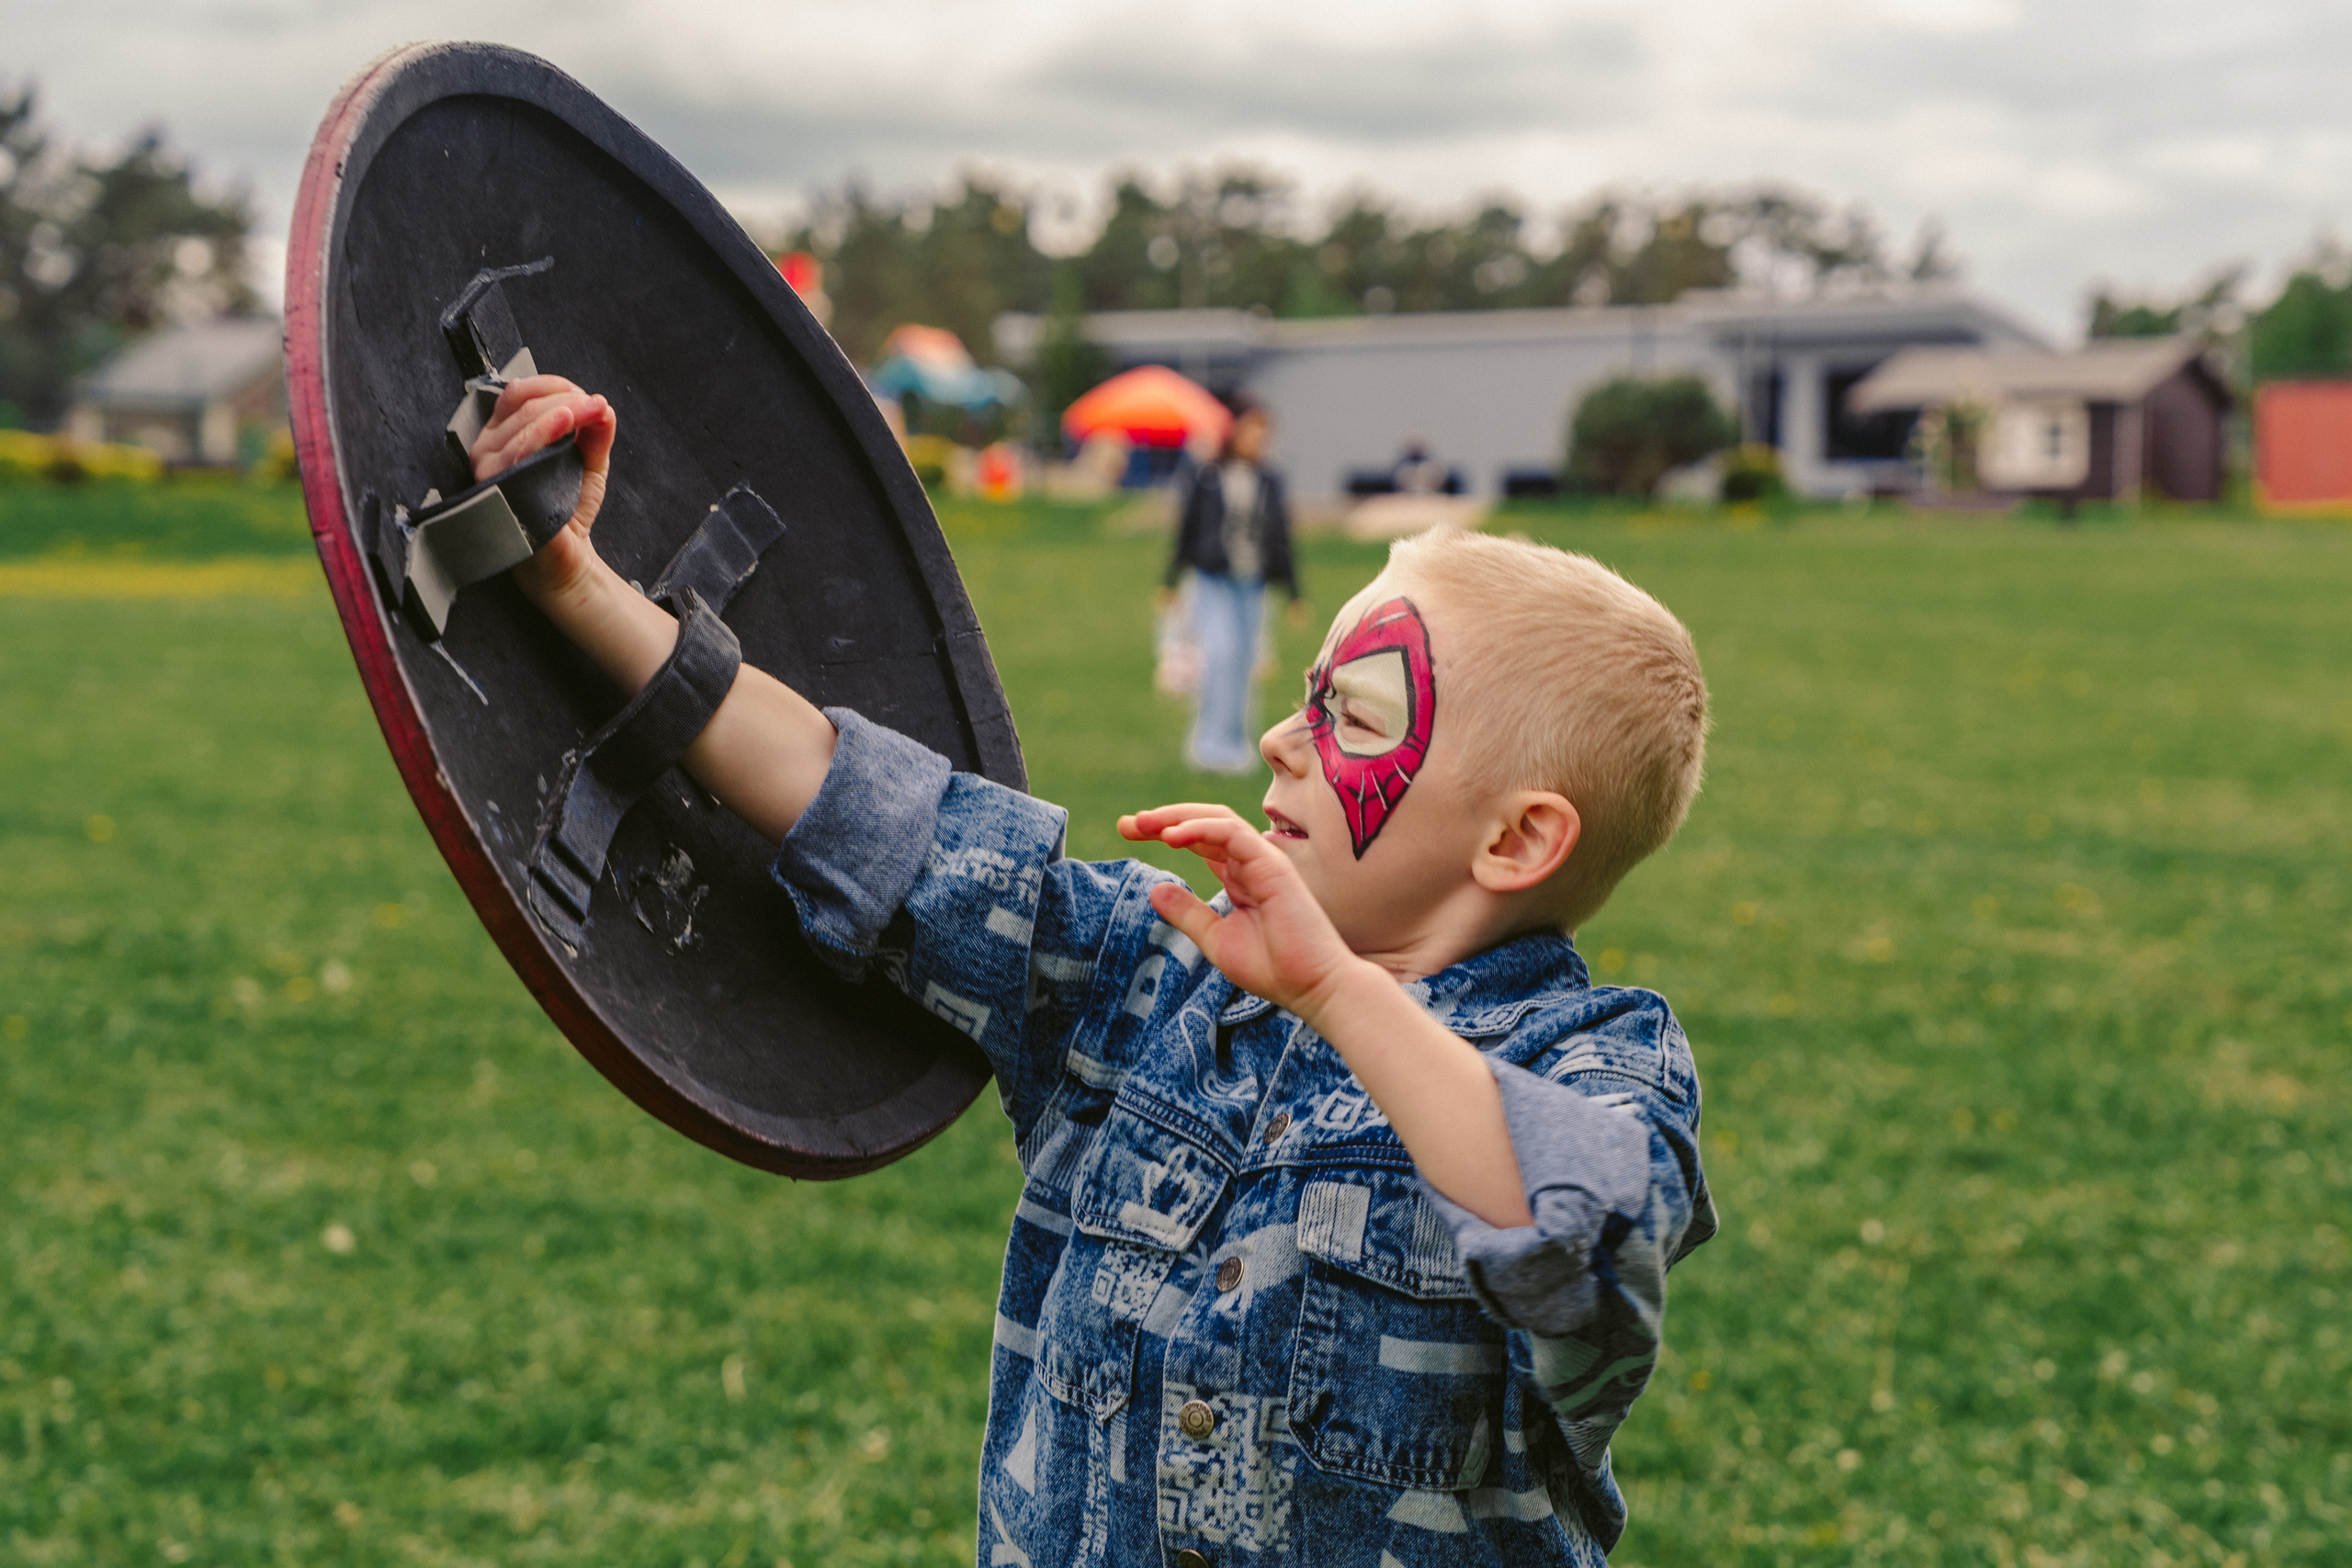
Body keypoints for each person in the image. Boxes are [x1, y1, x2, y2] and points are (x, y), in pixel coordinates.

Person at [472, 374, 1716, 1566]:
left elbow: (1580, 1227)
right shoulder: (1153, 970)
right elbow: (873, 818)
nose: (1283, 738)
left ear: (1515, 838)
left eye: (1356, 719)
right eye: (1304, 696)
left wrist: (1340, 990)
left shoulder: (1596, 1058)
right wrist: (578, 583)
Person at [1159, 396, 1302, 773]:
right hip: (1213, 580)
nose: (1257, 438)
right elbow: (1187, 527)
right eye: (1250, 428)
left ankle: (1237, 746)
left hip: (1253, 585)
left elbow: (1282, 537)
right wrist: (1170, 580)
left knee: (1244, 664)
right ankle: (1208, 746)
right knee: (1219, 656)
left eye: (1263, 431)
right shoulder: (1208, 475)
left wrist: (1294, 592)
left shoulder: (1270, 480)